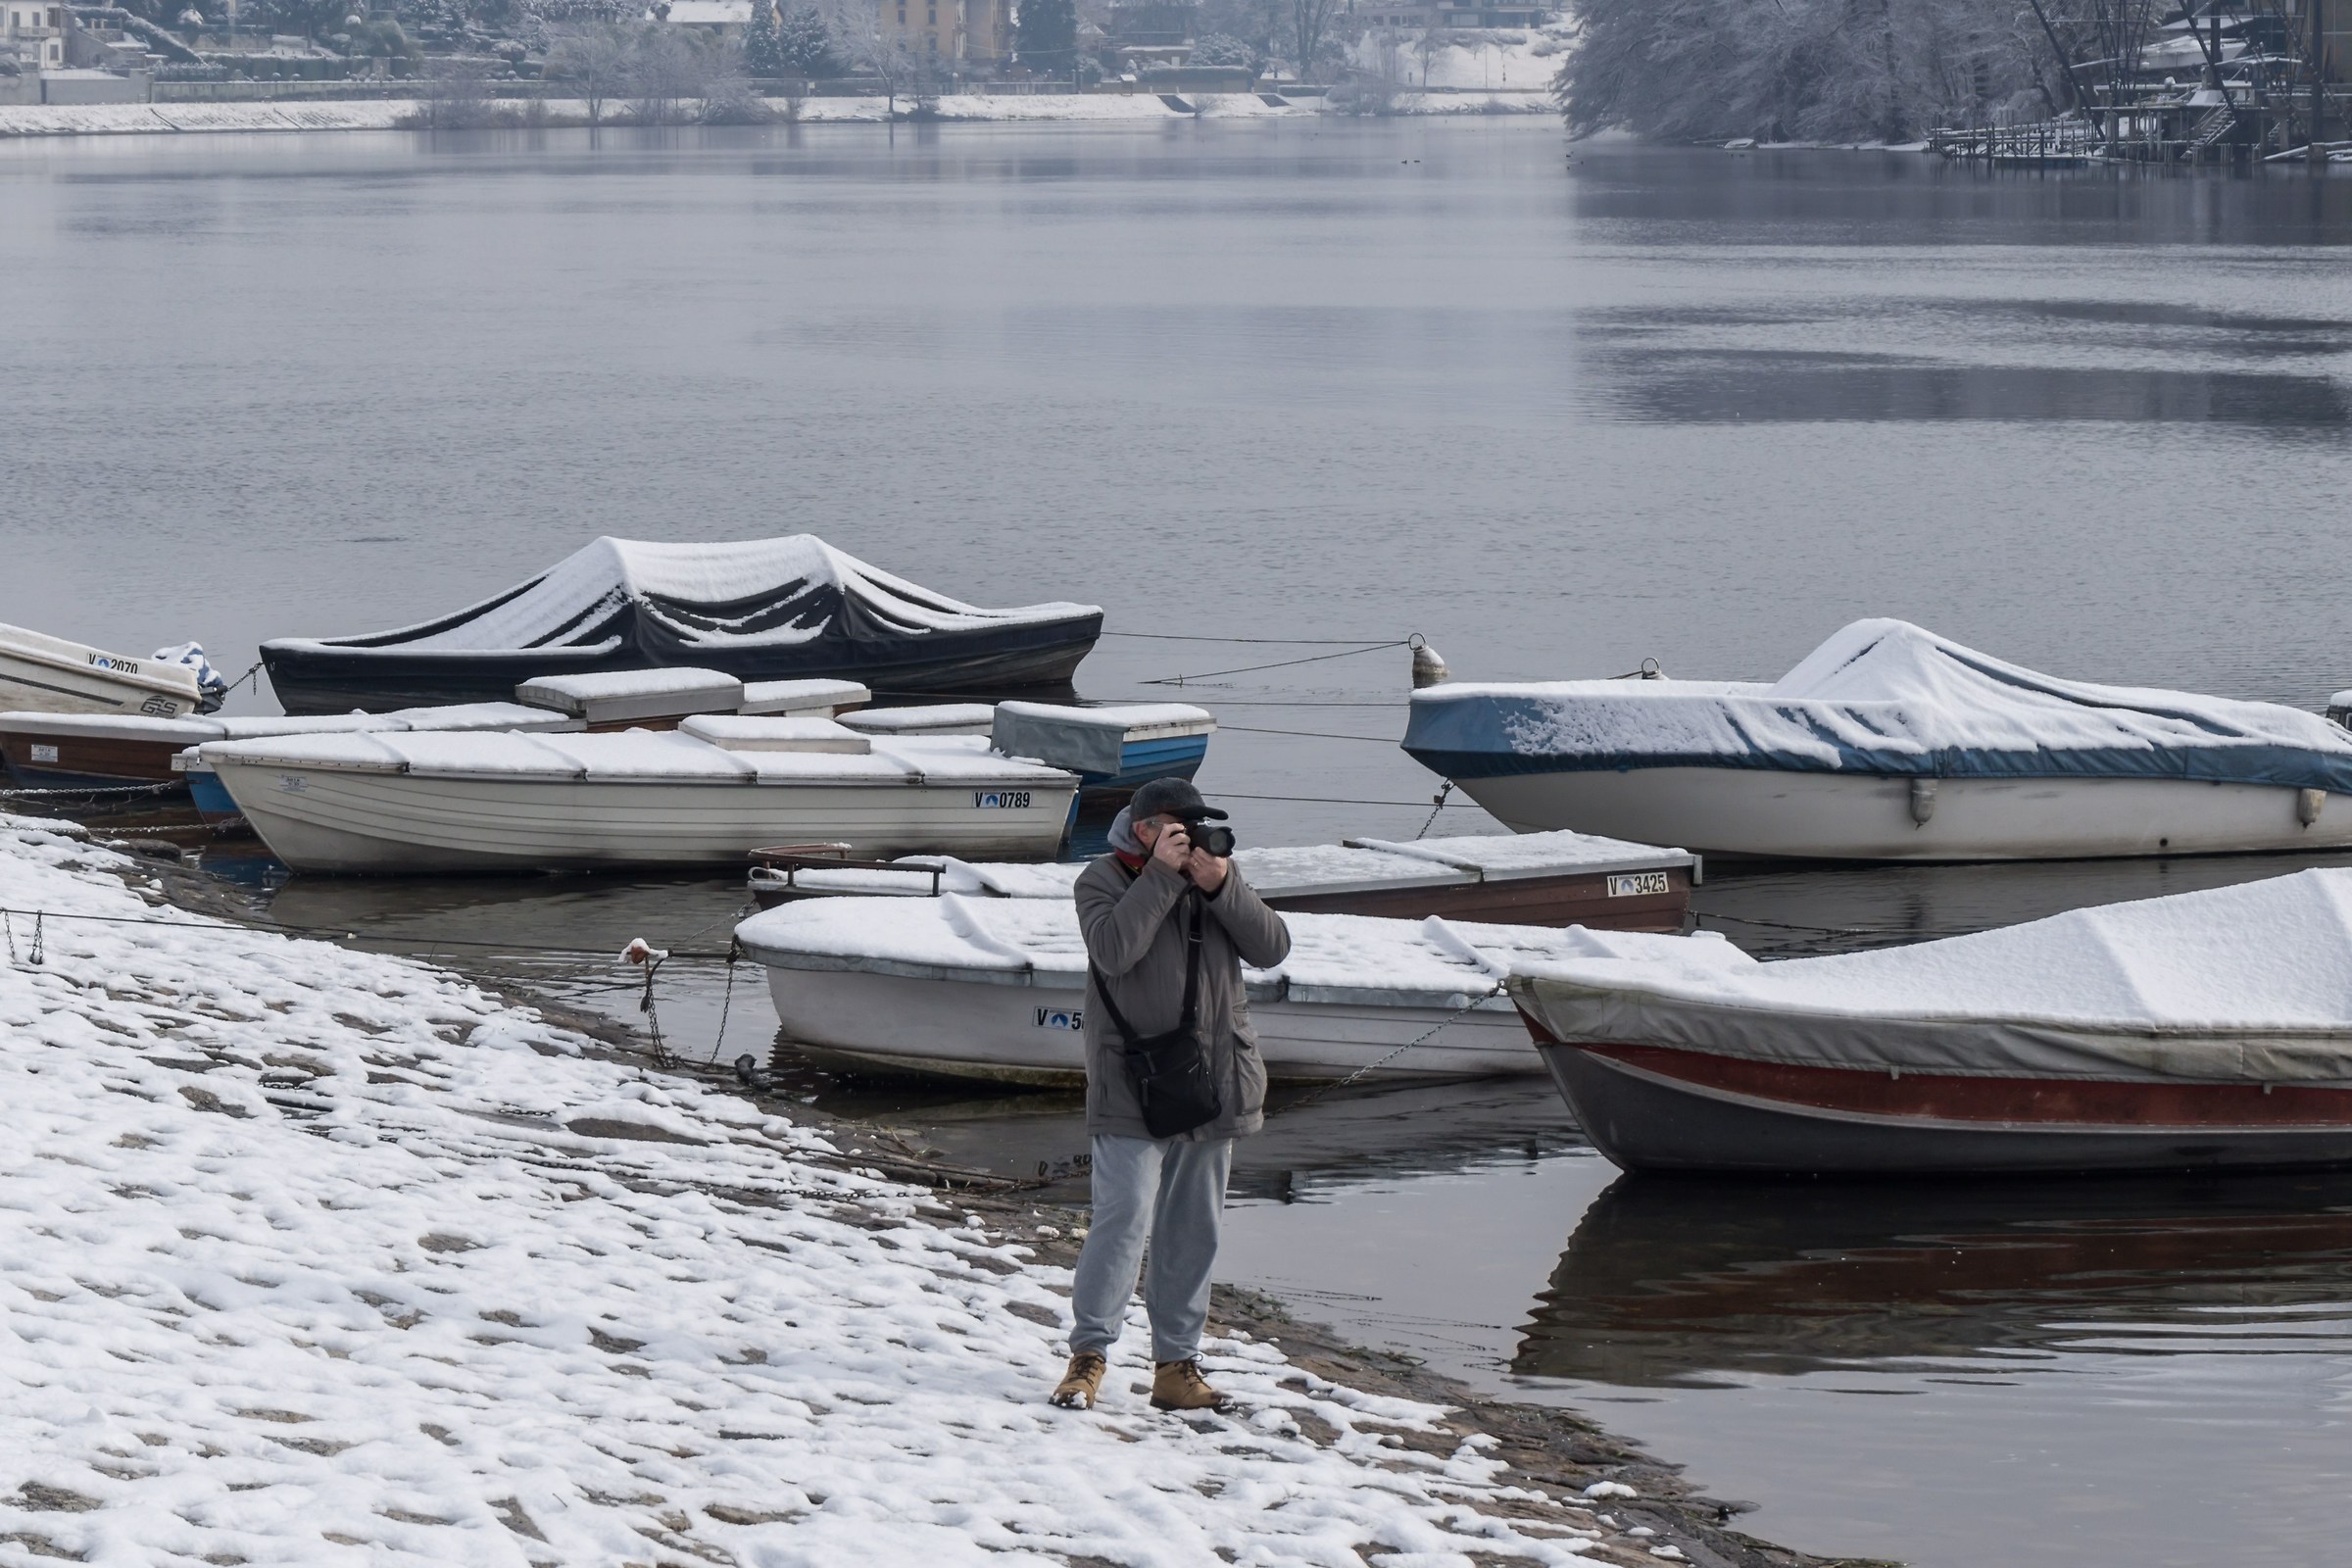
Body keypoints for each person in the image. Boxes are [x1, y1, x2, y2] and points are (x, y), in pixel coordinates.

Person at [1049, 777, 1291, 1413]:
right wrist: (1160, 877)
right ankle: (1089, 1358)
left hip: (1213, 1084)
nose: (1190, 841)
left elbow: (1272, 947)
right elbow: (1113, 950)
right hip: (1132, 1081)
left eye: (1196, 829)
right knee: (1123, 1216)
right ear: (1145, 828)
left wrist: (1222, 885)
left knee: (1193, 1228)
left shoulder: (1212, 879)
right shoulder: (1102, 880)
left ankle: (1176, 1369)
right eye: (1177, 830)